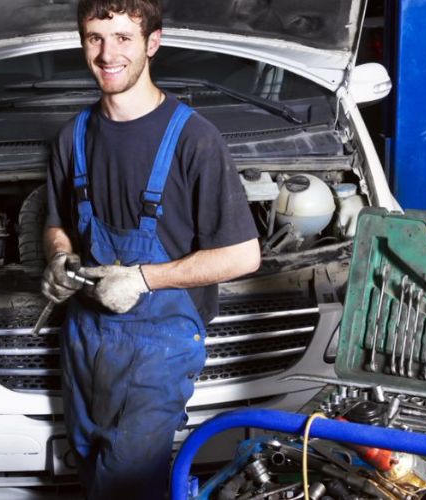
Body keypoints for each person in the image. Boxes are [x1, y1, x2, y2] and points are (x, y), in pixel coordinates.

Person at [43, 0, 261, 497]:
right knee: (90, 466)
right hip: (84, 337)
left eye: (123, 38)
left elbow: (245, 255)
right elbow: (56, 222)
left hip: (158, 344)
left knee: (127, 482)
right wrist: (58, 255)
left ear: (152, 44)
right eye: (95, 38)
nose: (107, 53)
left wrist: (143, 278)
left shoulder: (194, 139)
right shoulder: (72, 136)